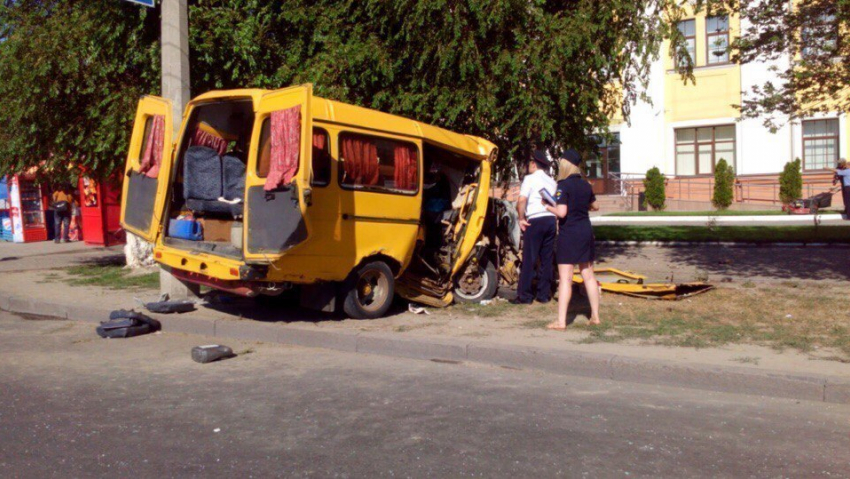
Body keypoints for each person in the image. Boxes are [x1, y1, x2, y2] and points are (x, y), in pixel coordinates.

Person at [543, 149, 601, 329]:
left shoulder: (563, 186)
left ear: (565, 165)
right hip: (585, 231)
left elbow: (562, 212)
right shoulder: (586, 185)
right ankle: (596, 317)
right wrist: (582, 207)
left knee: (566, 278)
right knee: (588, 275)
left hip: (569, 234)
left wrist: (547, 206)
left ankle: (561, 322)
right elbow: (596, 206)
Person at [512, 149, 557, 304]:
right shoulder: (552, 182)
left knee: (530, 258)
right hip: (550, 219)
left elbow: (522, 200)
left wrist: (521, 218)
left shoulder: (530, 179)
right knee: (546, 258)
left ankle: (525, 295)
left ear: (533, 164)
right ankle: (544, 295)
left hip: (535, 220)